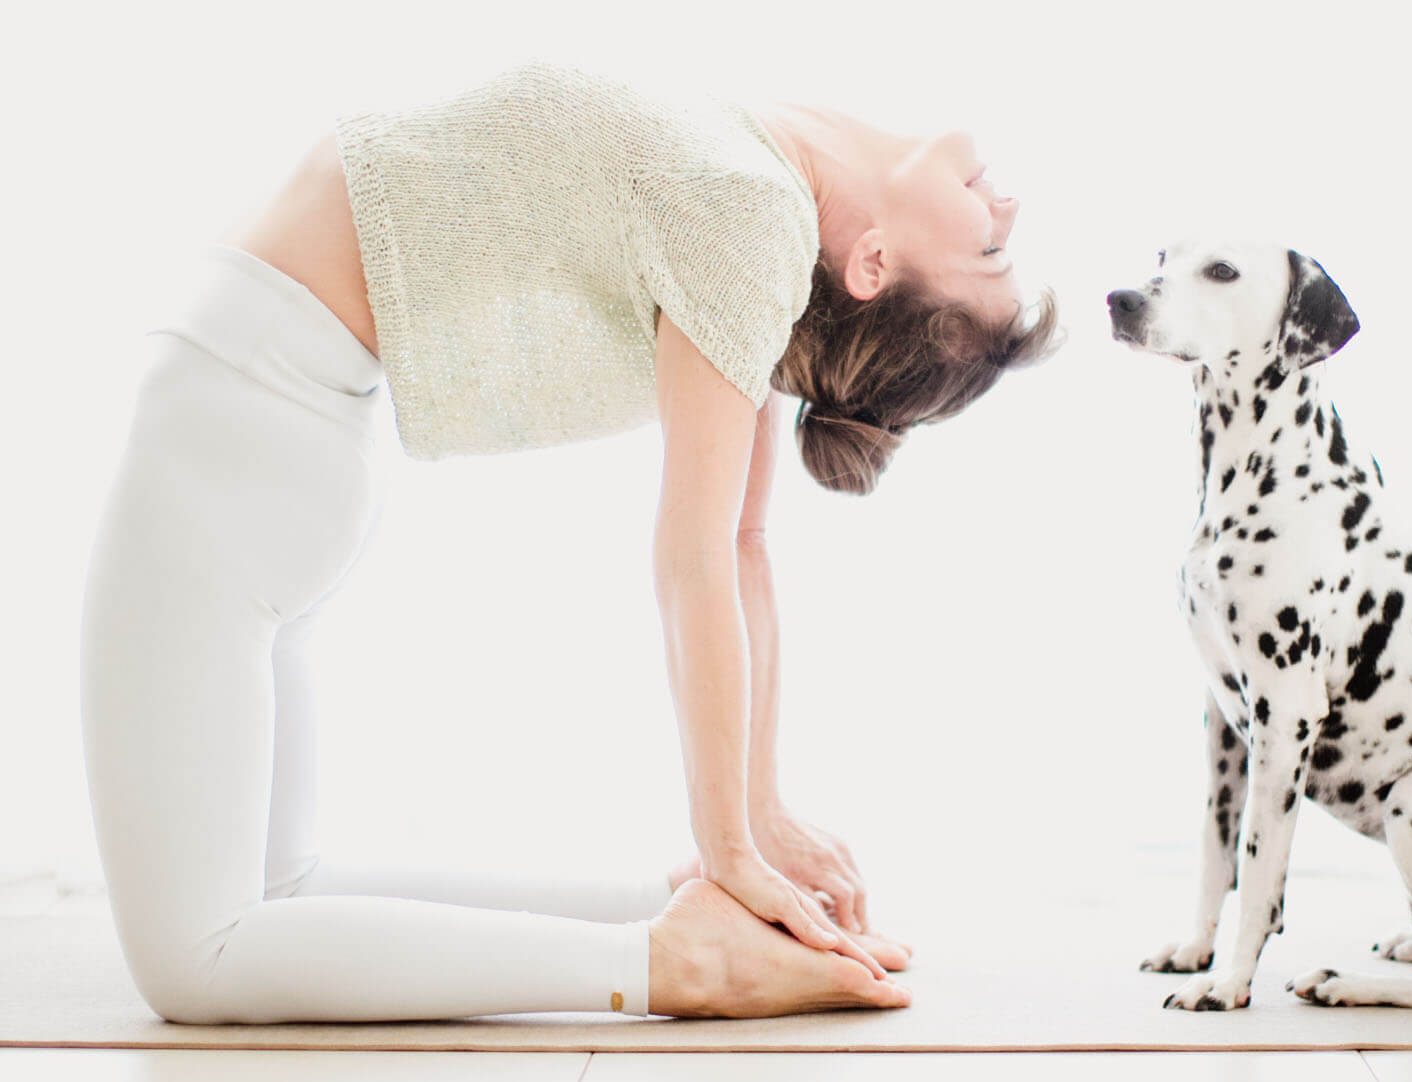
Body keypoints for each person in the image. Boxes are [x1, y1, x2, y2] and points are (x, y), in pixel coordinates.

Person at [77, 57, 1062, 1025]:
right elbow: (741, 544)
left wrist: (735, 837)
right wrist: (747, 827)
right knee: (277, 889)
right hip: (274, 432)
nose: (1004, 217)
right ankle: (665, 912)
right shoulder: (762, 199)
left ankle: (673, 958)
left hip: (240, 420)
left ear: (875, 265)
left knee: (195, 961)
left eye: (986, 256)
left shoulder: (751, 210)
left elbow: (710, 554)